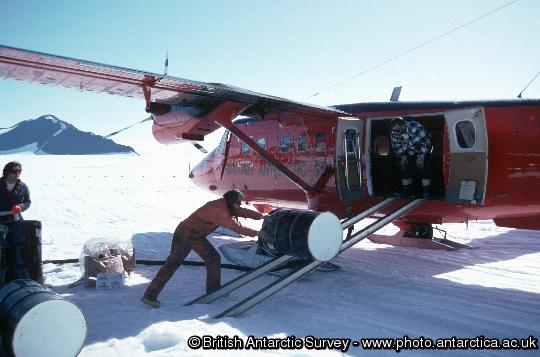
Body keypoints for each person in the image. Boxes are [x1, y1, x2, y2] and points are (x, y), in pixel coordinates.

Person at [141, 189, 263, 308]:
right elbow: (237, 228)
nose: (239, 205)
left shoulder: (225, 204)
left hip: (195, 235)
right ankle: (149, 296)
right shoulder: (219, 210)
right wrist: (258, 234)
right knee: (173, 263)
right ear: (232, 202)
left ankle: (214, 291)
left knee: (213, 259)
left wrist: (261, 217)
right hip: (186, 235)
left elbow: (240, 211)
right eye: (238, 202)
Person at [390, 117, 432, 198]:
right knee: (404, 167)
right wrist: (403, 156)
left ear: (403, 126)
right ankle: (407, 191)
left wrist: (421, 157)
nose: (395, 132)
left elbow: (425, 142)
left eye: (397, 130)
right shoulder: (394, 133)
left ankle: (426, 192)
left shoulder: (414, 127)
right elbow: (396, 146)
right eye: (393, 130)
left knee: (423, 168)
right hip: (409, 151)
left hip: (422, 148)